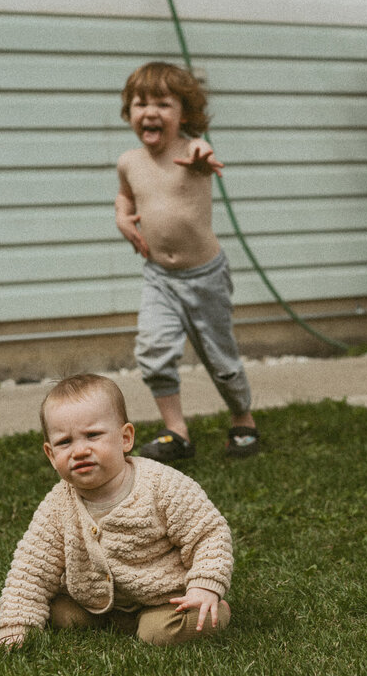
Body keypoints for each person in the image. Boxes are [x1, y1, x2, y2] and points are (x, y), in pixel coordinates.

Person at [0, 374, 233, 648]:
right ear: (50, 455)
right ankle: (110, 620)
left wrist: (204, 585)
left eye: (93, 435)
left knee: (157, 634)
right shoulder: (58, 504)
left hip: (165, 599)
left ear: (125, 438)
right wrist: (16, 627)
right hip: (98, 601)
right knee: (61, 613)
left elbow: (209, 534)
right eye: (64, 442)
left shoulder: (162, 486)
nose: (79, 450)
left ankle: (215, 610)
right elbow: (32, 568)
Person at [114, 61, 258, 461]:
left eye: (163, 103)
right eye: (141, 103)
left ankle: (243, 420)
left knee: (219, 357)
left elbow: (202, 152)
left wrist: (201, 157)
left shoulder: (193, 150)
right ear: (130, 113)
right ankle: (176, 431)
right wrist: (122, 216)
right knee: (153, 348)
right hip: (160, 277)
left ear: (184, 114)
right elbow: (126, 195)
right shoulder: (129, 161)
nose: (150, 112)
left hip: (205, 276)